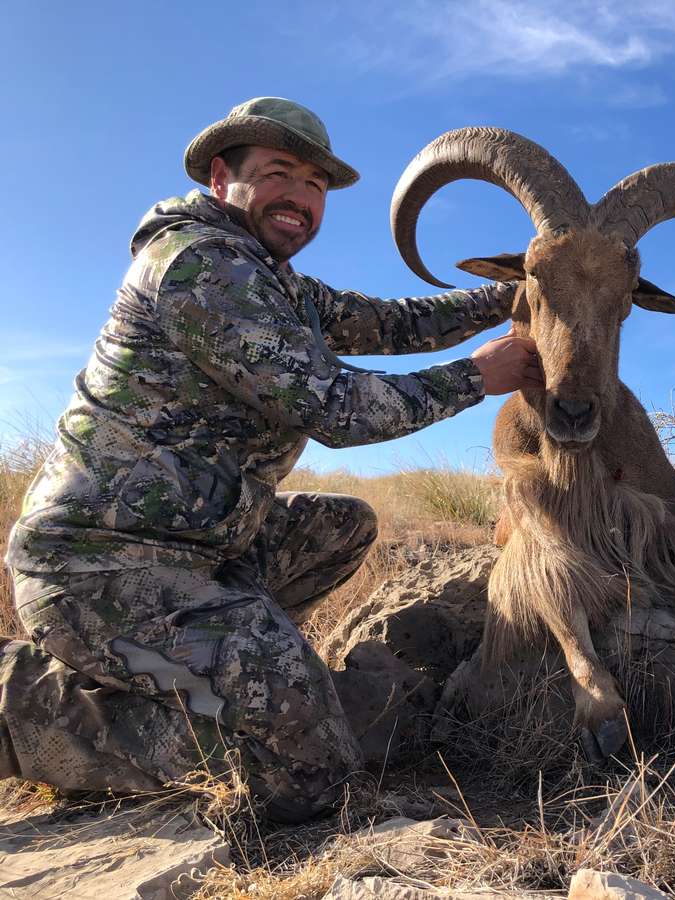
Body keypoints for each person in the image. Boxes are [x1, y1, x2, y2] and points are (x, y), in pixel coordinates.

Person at [0, 97, 542, 822]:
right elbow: (337, 409)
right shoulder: (199, 265)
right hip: (96, 565)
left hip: (196, 552)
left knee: (339, 525)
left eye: (316, 184)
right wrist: (478, 375)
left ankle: (211, 664)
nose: (300, 197)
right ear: (223, 177)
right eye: (280, 172)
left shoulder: (277, 282)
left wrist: (527, 287)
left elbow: (394, 322)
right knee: (315, 764)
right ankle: (28, 715)